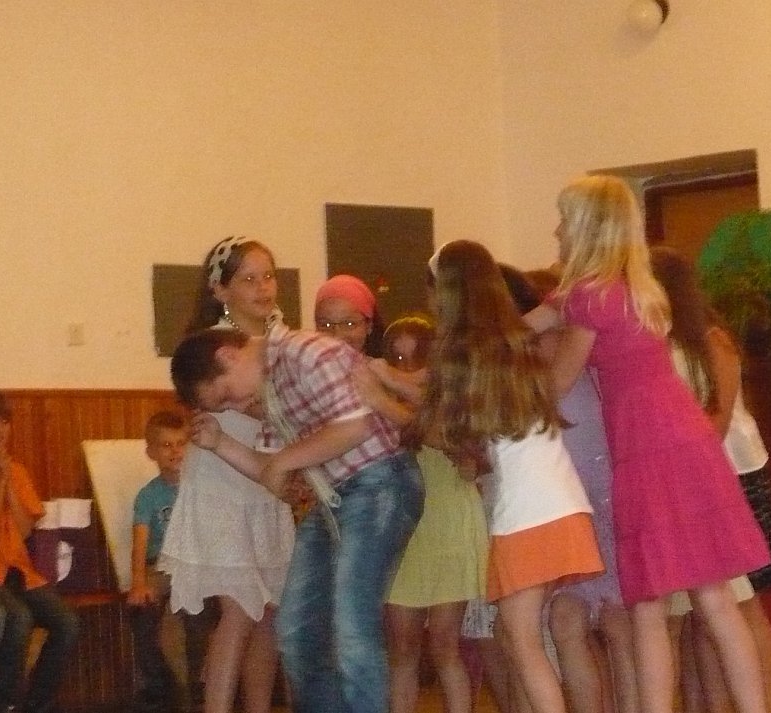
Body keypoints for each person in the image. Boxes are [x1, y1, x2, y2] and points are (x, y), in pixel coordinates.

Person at [523, 175, 771, 713]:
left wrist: (498, 391)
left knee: (648, 604)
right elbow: (532, 322)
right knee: (713, 595)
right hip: (685, 438)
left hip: (649, 447)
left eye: (564, 219)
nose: (557, 230)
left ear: (586, 226)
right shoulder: (631, 287)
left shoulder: (590, 297)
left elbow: (560, 379)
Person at [169, 322, 425, 713]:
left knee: (351, 623)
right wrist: (220, 443)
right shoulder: (272, 389)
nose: (237, 406)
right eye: (226, 408)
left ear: (228, 356)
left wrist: (284, 462)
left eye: (227, 396)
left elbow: (355, 426)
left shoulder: (305, 353)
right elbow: (274, 473)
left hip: (381, 482)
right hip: (336, 497)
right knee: (295, 627)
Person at [408, 240, 603, 713]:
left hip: (526, 512)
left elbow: (440, 432)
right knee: (518, 635)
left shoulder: (466, 352)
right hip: (562, 502)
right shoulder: (514, 341)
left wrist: (380, 394)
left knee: (521, 640)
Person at [650, 246, 771, 713]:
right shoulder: (663, 343)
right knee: (700, 610)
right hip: (693, 480)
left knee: (743, 603)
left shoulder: (712, 340)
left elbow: (717, 419)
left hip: (735, 474)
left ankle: (764, 704)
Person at [158, 236, 295, 713]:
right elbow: (226, 406)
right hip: (222, 486)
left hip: (266, 483)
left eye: (268, 276)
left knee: (268, 612)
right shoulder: (215, 347)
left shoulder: (283, 339)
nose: (263, 287)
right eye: (249, 279)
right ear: (220, 290)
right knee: (237, 610)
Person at [524, 267, 638, 713]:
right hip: (568, 507)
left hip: (603, 498)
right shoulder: (533, 362)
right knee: (566, 621)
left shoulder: (578, 352)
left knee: (618, 621)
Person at [359, 315, 487, 713]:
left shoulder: (455, 402)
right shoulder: (375, 405)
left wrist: (391, 397)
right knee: (402, 648)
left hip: (450, 528)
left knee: (446, 646)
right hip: (401, 532)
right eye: (397, 358)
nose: (406, 367)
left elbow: (460, 452)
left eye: (417, 358)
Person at [0, 387, 80, 713]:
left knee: (67, 624)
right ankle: (4, 704)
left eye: (4, 422)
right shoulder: (4, 473)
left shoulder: (17, 470)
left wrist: (7, 478)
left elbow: (25, 529)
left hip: (18, 572)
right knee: (18, 618)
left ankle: (36, 704)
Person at [128, 410, 215, 713]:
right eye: (166, 445)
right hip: (160, 567)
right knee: (142, 612)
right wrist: (138, 583)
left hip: (195, 567)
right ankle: (159, 686)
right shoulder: (148, 495)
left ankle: (197, 685)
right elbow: (140, 542)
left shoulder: (200, 489)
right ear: (151, 452)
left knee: (196, 614)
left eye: (181, 443)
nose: (175, 451)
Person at [314, 274, 385, 357]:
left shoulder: (387, 364)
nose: (337, 336)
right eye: (326, 325)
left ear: (369, 326)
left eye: (349, 324)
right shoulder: (304, 363)